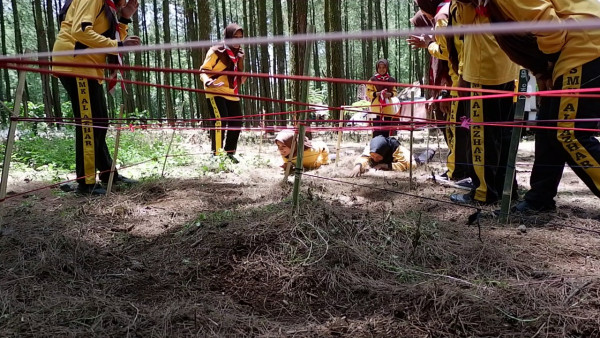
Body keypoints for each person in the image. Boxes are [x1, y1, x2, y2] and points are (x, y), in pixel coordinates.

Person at [481, 0, 600, 212]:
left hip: (585, 45)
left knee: (568, 133)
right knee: (548, 125)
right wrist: (543, 71)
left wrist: (550, 61)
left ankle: (539, 199)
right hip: (580, 43)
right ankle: (539, 199)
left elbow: (548, 24)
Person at [53, 0, 141, 195]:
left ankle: (109, 174)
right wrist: (117, 44)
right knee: (89, 123)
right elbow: (81, 32)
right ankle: (87, 183)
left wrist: (124, 18)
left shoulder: (107, 5)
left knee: (99, 120)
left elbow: (110, 37)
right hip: (76, 63)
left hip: (89, 65)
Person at [447, 1, 519, 205]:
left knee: (481, 135)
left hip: (483, 68)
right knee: (503, 134)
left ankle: (484, 192)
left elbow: (466, 20)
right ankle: (507, 188)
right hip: (506, 66)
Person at [409, 0, 472, 183]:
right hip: (457, 84)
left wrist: (429, 44)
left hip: (456, 86)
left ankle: (458, 172)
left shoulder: (441, 17)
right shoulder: (446, 12)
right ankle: (460, 170)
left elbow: (448, 53)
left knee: (456, 131)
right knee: (460, 130)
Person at [200, 23, 246, 163]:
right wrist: (208, 81)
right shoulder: (215, 51)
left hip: (231, 92)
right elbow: (203, 70)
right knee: (221, 120)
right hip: (215, 90)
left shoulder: (239, 54)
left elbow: (238, 74)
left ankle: (229, 153)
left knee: (237, 122)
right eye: (234, 37)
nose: (237, 40)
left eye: (240, 37)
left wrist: (242, 78)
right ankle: (216, 155)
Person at [350, 135, 435, 177]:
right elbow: (363, 157)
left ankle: (431, 150)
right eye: (373, 156)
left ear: (384, 152)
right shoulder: (372, 147)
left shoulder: (396, 148)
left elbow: (405, 164)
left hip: (409, 159)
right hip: (391, 159)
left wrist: (385, 165)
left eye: (378, 157)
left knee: (422, 160)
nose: (375, 159)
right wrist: (358, 166)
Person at [366, 59, 398, 138]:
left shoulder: (391, 80)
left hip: (388, 109)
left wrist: (389, 94)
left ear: (387, 68)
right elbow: (368, 93)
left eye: (384, 67)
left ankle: (386, 147)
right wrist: (376, 94)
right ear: (377, 69)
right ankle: (376, 148)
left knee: (386, 131)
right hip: (376, 109)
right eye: (379, 67)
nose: (382, 69)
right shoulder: (372, 80)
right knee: (376, 130)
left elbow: (395, 92)